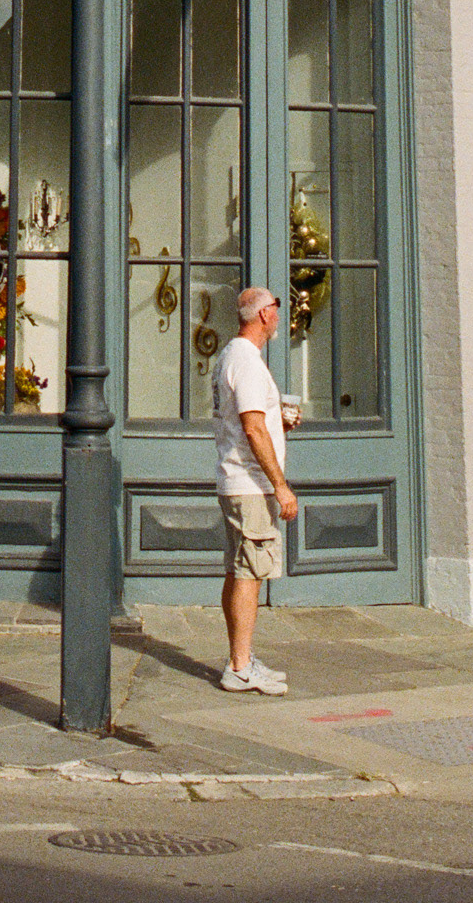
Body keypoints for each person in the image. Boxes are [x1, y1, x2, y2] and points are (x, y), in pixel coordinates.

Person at [210, 284, 299, 694]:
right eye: (277, 307)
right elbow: (252, 427)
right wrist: (281, 486)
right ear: (264, 314)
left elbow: (252, 422)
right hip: (250, 484)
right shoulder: (246, 361)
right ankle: (240, 667)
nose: (280, 315)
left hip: (235, 480)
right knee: (250, 573)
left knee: (238, 570)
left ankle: (241, 657)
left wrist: (280, 422)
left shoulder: (231, 356)